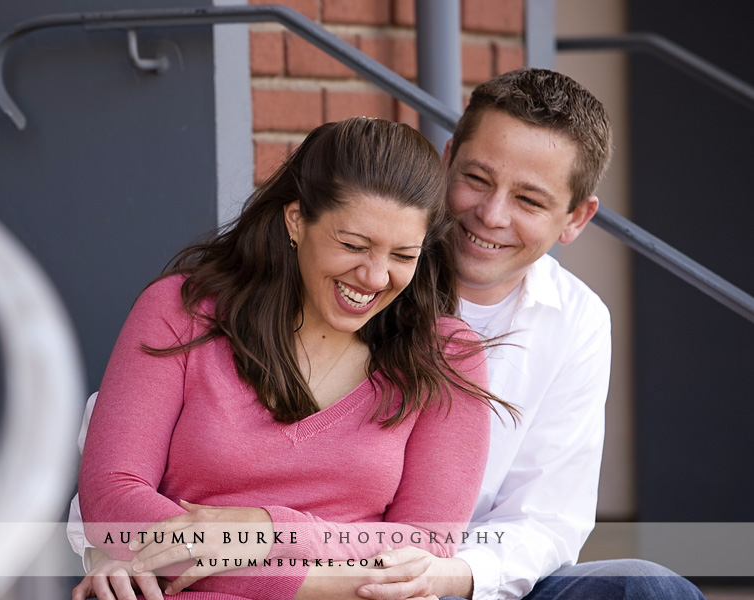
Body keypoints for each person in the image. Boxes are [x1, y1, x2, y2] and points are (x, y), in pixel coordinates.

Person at [74, 117, 510, 600]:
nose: (374, 276)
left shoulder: (445, 356)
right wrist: (325, 580)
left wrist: (264, 531)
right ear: (297, 220)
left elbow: (424, 544)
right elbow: (112, 501)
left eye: (403, 255)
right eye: (353, 245)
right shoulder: (181, 310)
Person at [349, 69, 706, 600]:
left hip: (477, 579)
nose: (491, 215)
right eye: (477, 178)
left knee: (650, 590)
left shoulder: (578, 320)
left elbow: (547, 519)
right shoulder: (367, 276)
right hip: (343, 559)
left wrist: (452, 575)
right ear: (447, 161)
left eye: (530, 201)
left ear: (576, 219)